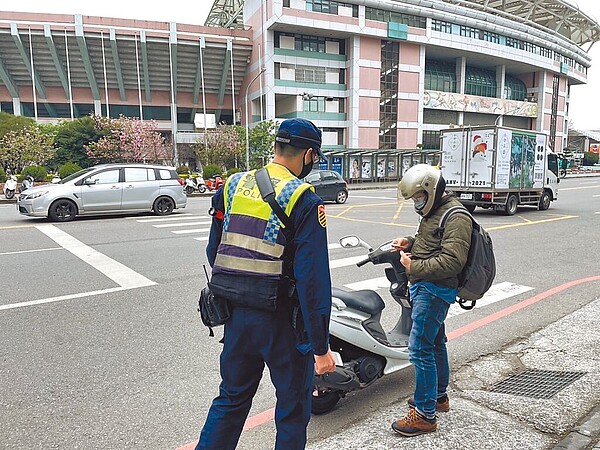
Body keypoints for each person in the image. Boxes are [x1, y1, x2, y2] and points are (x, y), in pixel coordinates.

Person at [196, 118, 336, 450]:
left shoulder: (231, 186)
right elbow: (312, 281)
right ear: (308, 155)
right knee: (292, 408)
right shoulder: (303, 198)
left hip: (234, 316)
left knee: (231, 398)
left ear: (276, 147)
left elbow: (215, 249)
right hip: (280, 322)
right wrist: (321, 347)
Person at [390, 164, 472, 437]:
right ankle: (438, 397)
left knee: (420, 348)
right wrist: (409, 243)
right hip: (427, 287)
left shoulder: (457, 216)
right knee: (435, 342)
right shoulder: (435, 211)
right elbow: (432, 242)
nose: (416, 203)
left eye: (419, 197)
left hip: (435, 290)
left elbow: (453, 261)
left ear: (432, 191)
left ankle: (424, 415)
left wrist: (414, 269)